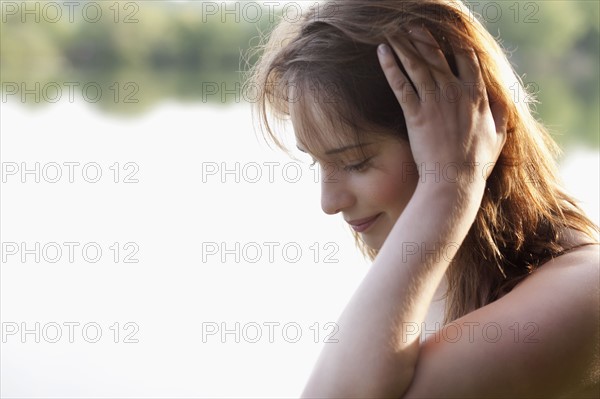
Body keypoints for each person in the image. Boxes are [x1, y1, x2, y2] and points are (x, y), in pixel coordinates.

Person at [247, 0, 600, 397]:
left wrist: (450, 183)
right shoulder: (439, 279)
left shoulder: (585, 290)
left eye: (356, 162)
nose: (329, 202)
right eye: (318, 163)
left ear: (460, 132)